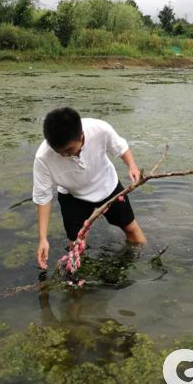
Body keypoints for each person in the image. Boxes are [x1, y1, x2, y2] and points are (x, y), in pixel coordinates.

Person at [33, 107, 146, 270]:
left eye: (69, 150)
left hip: (107, 186)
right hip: (73, 196)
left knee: (132, 230)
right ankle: (82, 283)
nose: (65, 156)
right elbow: (42, 197)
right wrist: (43, 238)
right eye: (60, 153)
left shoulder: (99, 129)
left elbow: (120, 147)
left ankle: (143, 264)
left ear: (82, 136)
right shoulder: (43, 157)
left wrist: (132, 166)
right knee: (77, 246)